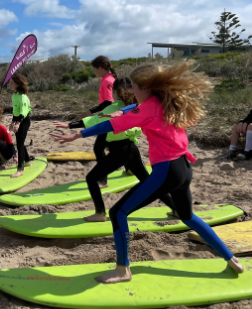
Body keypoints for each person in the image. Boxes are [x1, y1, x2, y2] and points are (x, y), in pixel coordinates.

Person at [51, 62, 243, 284]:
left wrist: (79, 134)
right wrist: (124, 110)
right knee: (188, 216)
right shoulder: (167, 103)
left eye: (133, 86)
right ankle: (231, 258)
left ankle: (123, 270)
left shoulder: (148, 108)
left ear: (145, 87)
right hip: (183, 168)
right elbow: (130, 112)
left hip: (166, 171)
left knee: (118, 213)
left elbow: (115, 124)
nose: (131, 91)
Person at [53, 78, 176, 222]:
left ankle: (100, 213)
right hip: (132, 148)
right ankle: (175, 208)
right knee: (147, 180)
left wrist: (70, 126)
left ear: (116, 91)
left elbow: (95, 120)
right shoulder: (134, 105)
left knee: (91, 178)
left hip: (120, 151)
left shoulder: (115, 107)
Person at [80, 56, 118, 186]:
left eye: (95, 69)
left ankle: (103, 178)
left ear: (101, 68)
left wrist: (90, 112)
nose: (94, 72)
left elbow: (108, 101)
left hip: (107, 117)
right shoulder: (108, 78)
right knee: (117, 146)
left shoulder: (107, 80)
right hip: (109, 116)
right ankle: (130, 169)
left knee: (99, 148)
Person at [9, 74, 32, 178]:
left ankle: (20, 169)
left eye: (12, 83)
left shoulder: (23, 97)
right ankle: (26, 161)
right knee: (20, 142)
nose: (10, 84)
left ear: (18, 84)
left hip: (24, 120)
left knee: (19, 144)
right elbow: (16, 111)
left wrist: (18, 124)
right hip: (19, 120)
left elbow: (23, 112)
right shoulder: (14, 96)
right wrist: (12, 122)